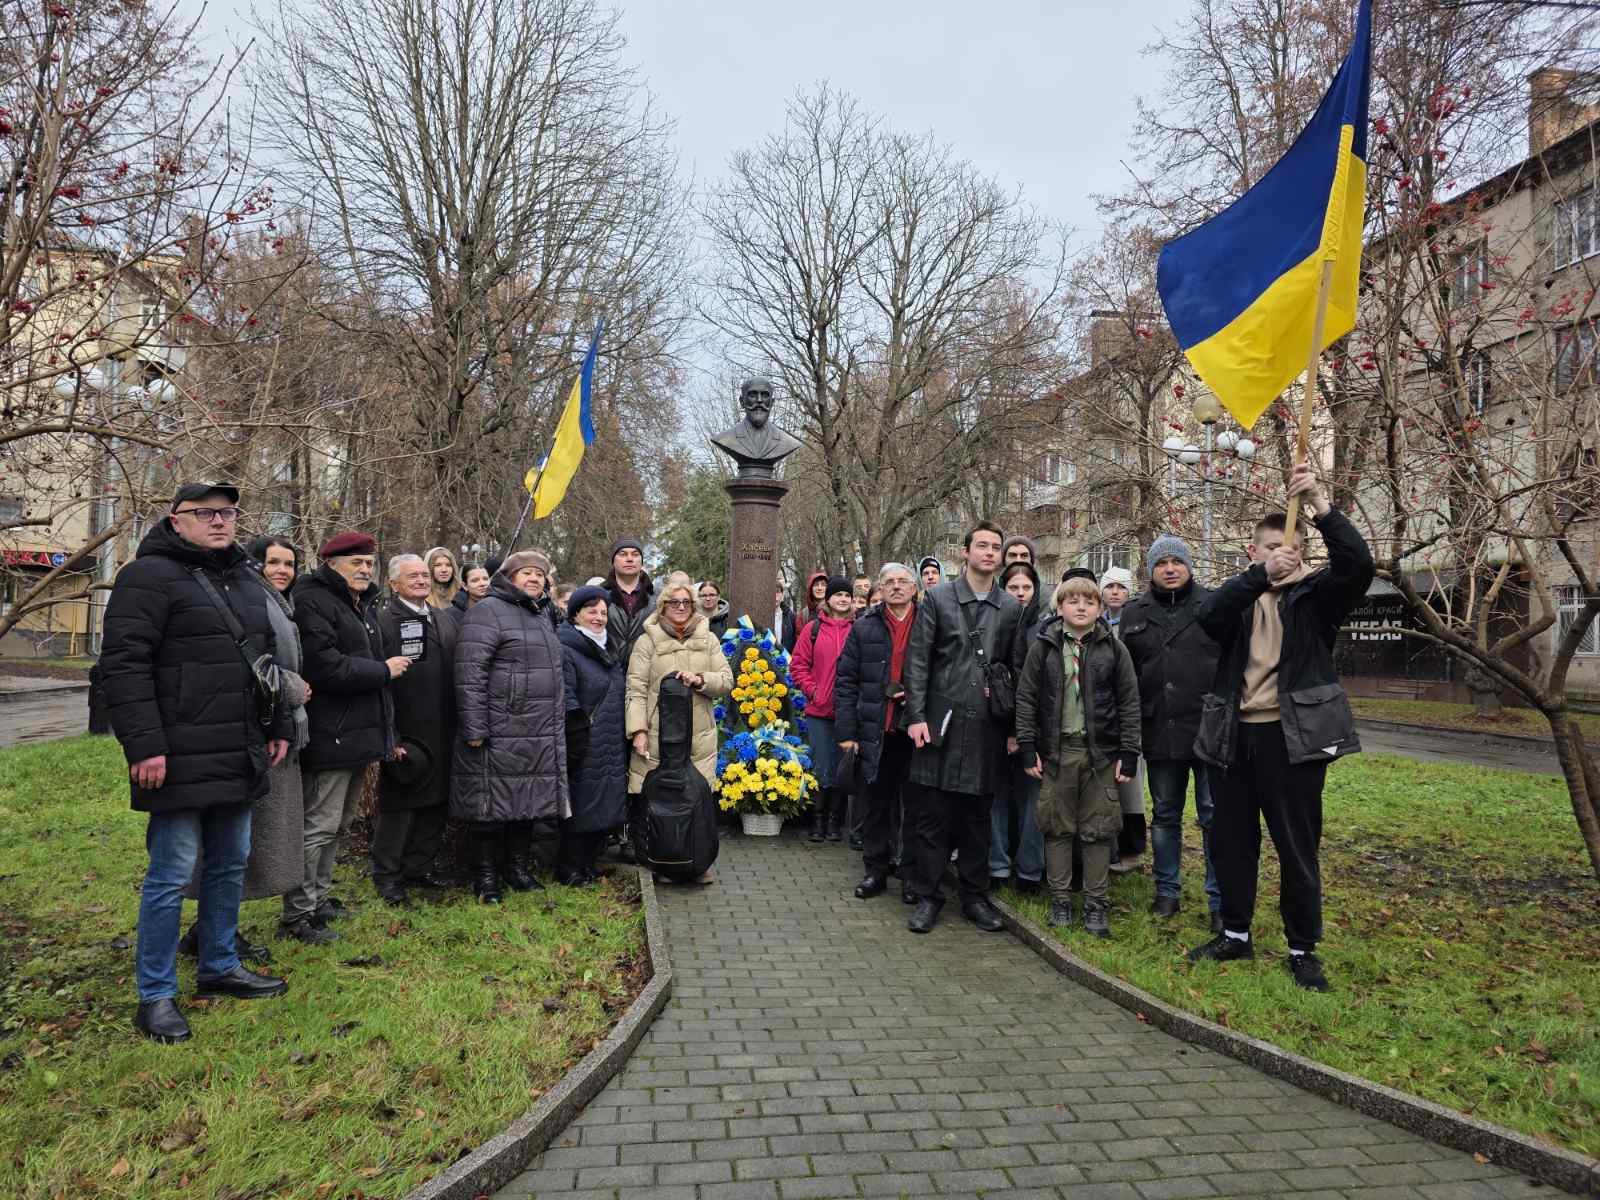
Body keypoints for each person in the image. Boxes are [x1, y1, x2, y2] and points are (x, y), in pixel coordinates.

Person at [101, 484, 290, 1043]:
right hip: (176, 753)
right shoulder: (147, 576)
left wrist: (277, 724)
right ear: (175, 519)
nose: (218, 522)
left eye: (227, 513)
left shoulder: (244, 577)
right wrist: (144, 745)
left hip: (238, 747)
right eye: (204, 513)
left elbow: (265, 661)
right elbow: (123, 666)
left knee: (230, 863)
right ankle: (155, 995)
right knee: (169, 875)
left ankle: (219, 964)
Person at [1187, 465, 1374, 991]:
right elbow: (1208, 619)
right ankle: (1236, 935)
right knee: (1231, 842)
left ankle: (1302, 948)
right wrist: (1258, 578)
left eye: (1288, 547)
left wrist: (1319, 502)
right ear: (1254, 551)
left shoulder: (1317, 600)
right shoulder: (1239, 599)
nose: (1279, 554)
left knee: (1296, 845)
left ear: (1303, 553)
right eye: (1269, 547)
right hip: (1233, 736)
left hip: (1292, 740)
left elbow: (1359, 564)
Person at [178, 536, 310, 964]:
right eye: (273, 561)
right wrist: (291, 687)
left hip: (275, 730)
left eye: (289, 563)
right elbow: (249, 659)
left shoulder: (279, 604)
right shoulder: (248, 601)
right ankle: (213, 932)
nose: (282, 570)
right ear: (253, 564)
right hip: (249, 734)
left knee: (244, 845)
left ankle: (214, 930)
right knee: (232, 843)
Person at [902, 521, 1026, 935]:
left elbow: (1015, 669)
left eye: (996, 547)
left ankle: (974, 896)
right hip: (941, 723)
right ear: (966, 552)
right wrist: (917, 717)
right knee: (932, 816)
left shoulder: (1011, 608)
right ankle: (929, 896)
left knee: (977, 816)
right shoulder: (937, 599)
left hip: (987, 726)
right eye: (983, 546)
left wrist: (1013, 729)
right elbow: (918, 660)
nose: (990, 553)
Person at [284, 531, 407, 944]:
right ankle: (298, 914)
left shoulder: (360, 604)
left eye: (369, 563)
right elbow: (324, 666)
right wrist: (383, 671)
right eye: (356, 562)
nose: (365, 569)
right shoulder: (312, 600)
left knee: (339, 823)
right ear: (331, 563)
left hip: (355, 733)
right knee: (318, 824)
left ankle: (320, 899)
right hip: (330, 732)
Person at [1017, 571, 1141, 937]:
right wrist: (1027, 747)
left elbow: (1129, 702)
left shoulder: (1113, 648)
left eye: (1089, 601)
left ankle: (1095, 903)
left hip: (1100, 754)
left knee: (1098, 830)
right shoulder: (1044, 647)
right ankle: (1060, 900)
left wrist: (1129, 752)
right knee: (1057, 828)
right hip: (1057, 752)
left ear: (1100, 607)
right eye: (1073, 601)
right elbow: (1026, 699)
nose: (1082, 607)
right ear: (1060, 607)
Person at [452, 551, 570, 901]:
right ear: (509, 577)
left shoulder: (540, 614)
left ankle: (516, 869)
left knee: (526, 803)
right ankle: (486, 878)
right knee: (489, 808)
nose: (534, 578)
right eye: (527, 573)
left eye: (539, 574)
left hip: (537, 729)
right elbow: (469, 673)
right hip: (499, 728)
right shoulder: (487, 611)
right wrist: (474, 728)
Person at [1119, 535, 1223, 930]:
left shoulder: (1213, 606)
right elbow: (1126, 676)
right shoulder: (1134, 613)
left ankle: (1219, 898)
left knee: (1214, 816)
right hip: (1160, 731)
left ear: (1189, 566)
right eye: (1161, 562)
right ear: (1150, 569)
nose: (1169, 568)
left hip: (1210, 730)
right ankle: (1167, 892)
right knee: (1164, 815)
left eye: (1176, 561)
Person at [625, 574, 733, 883]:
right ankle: (662, 862)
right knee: (660, 804)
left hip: (698, 738)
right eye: (675, 602)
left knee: (697, 806)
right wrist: (638, 732)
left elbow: (726, 680)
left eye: (687, 602)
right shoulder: (647, 641)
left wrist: (701, 679)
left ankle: (698, 864)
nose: (681, 607)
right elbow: (635, 689)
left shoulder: (708, 638)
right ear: (663, 606)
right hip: (659, 737)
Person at [371, 554, 459, 906]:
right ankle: (387, 876)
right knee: (400, 807)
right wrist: (389, 736)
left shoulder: (442, 617)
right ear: (394, 584)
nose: (423, 580)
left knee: (435, 803)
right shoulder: (384, 622)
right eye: (413, 576)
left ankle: (419, 867)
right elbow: (380, 683)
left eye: (425, 575)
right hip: (407, 732)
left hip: (443, 728)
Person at [836, 563, 919, 902]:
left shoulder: (929, 623)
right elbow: (846, 681)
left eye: (903, 582)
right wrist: (847, 731)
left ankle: (913, 876)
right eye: (889, 583)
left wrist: (912, 693)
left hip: (915, 730)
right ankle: (875, 871)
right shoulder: (863, 627)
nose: (896, 587)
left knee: (916, 808)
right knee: (876, 806)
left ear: (914, 588)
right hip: (876, 730)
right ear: (880, 590)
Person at [558, 586, 629, 884]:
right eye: (591, 611)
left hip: (610, 739)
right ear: (576, 614)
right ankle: (569, 866)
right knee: (581, 803)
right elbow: (567, 694)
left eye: (603, 612)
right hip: (584, 739)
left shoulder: (609, 648)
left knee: (601, 804)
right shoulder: (567, 647)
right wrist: (578, 734)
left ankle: (588, 862)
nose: (599, 617)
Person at [989, 560, 1045, 894]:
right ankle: (996, 865)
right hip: (994, 723)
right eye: (1014, 588)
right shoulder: (993, 623)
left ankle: (1029, 871)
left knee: (1032, 801)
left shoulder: (1047, 627)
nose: (1021, 594)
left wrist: (1021, 732)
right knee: (995, 799)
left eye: (1026, 588)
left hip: (1034, 730)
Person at [790, 576, 857, 842]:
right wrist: (813, 691)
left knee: (843, 768)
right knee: (821, 766)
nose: (843, 599)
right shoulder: (812, 629)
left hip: (849, 711)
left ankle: (835, 822)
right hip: (819, 710)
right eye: (838, 594)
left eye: (847, 595)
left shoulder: (859, 627)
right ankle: (817, 821)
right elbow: (798, 665)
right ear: (827, 599)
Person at [1098, 565, 1147, 874]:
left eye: (1121, 586)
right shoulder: (1093, 620)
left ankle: (1132, 847)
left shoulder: (1137, 621)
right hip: (1102, 712)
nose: (1115, 592)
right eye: (1110, 586)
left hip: (1130, 709)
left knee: (1130, 784)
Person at [602, 537, 655, 660]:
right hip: (608, 668)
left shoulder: (657, 598)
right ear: (613, 561)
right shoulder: (599, 596)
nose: (630, 559)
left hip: (646, 670)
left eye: (635, 554)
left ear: (641, 561)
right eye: (623, 554)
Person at [424, 546, 461, 610]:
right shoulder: (421, 598)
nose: (444, 570)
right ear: (429, 568)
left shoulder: (461, 595)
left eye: (448, 565)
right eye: (437, 565)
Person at [773, 586, 800, 653]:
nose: (775, 595)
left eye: (777, 591)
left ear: (782, 595)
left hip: (785, 659)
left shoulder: (790, 616)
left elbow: (795, 640)